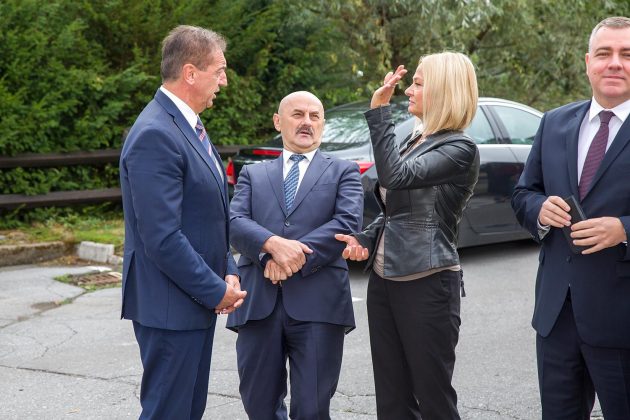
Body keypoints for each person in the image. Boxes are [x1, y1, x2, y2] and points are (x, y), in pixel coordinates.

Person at [336, 52, 480, 419]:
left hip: (427, 282)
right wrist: (366, 239)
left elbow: (395, 177)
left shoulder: (459, 148)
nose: (408, 91)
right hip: (384, 281)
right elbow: (395, 211)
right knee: (392, 398)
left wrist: (379, 113)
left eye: (418, 83)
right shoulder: (416, 141)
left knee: (433, 400)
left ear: (444, 91)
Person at [119, 25, 247, 420]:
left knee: (188, 410)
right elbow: (161, 237)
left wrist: (227, 269)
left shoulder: (185, 125)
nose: (224, 82)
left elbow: (208, 215)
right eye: (219, 71)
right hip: (170, 308)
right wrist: (214, 290)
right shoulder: (156, 133)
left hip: (190, 303)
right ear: (190, 73)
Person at [511, 16, 630, 419]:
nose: (615, 63)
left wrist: (624, 229)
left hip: (622, 318)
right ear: (587, 62)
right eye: (604, 53)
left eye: (627, 54)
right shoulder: (554, 122)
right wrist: (539, 211)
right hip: (556, 316)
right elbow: (524, 193)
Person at [226, 91, 364, 419]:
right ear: (278, 121)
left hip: (320, 303)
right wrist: (269, 250)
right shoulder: (253, 174)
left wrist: (290, 258)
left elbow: (346, 223)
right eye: (298, 114)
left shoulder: (344, 171)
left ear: (323, 124)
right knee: (258, 404)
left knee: (312, 408)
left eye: (315, 116)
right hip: (259, 303)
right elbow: (233, 221)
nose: (307, 123)